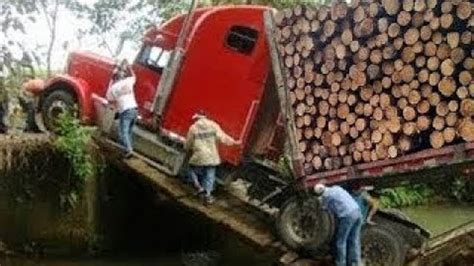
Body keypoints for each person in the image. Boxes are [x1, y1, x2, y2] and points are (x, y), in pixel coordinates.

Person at [185, 111, 240, 204]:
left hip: (199, 155)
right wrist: (234, 142)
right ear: (205, 117)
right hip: (212, 155)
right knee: (210, 174)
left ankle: (199, 187)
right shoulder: (213, 125)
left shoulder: (193, 128)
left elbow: (189, 143)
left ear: (197, 118)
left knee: (191, 169)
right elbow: (223, 137)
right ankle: (208, 194)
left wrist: (186, 148)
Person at [314, 183, 363, 266]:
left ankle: (341, 263)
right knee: (354, 240)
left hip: (347, 216)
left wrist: (319, 201)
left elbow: (323, 208)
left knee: (341, 242)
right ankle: (356, 263)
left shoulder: (326, 195)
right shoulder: (336, 188)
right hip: (357, 212)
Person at [106, 60, 137, 158]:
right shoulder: (127, 81)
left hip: (126, 111)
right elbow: (134, 76)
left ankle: (128, 150)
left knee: (122, 131)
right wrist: (129, 67)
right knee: (128, 132)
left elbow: (110, 101)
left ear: (114, 79)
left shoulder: (113, 88)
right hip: (134, 109)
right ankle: (126, 150)